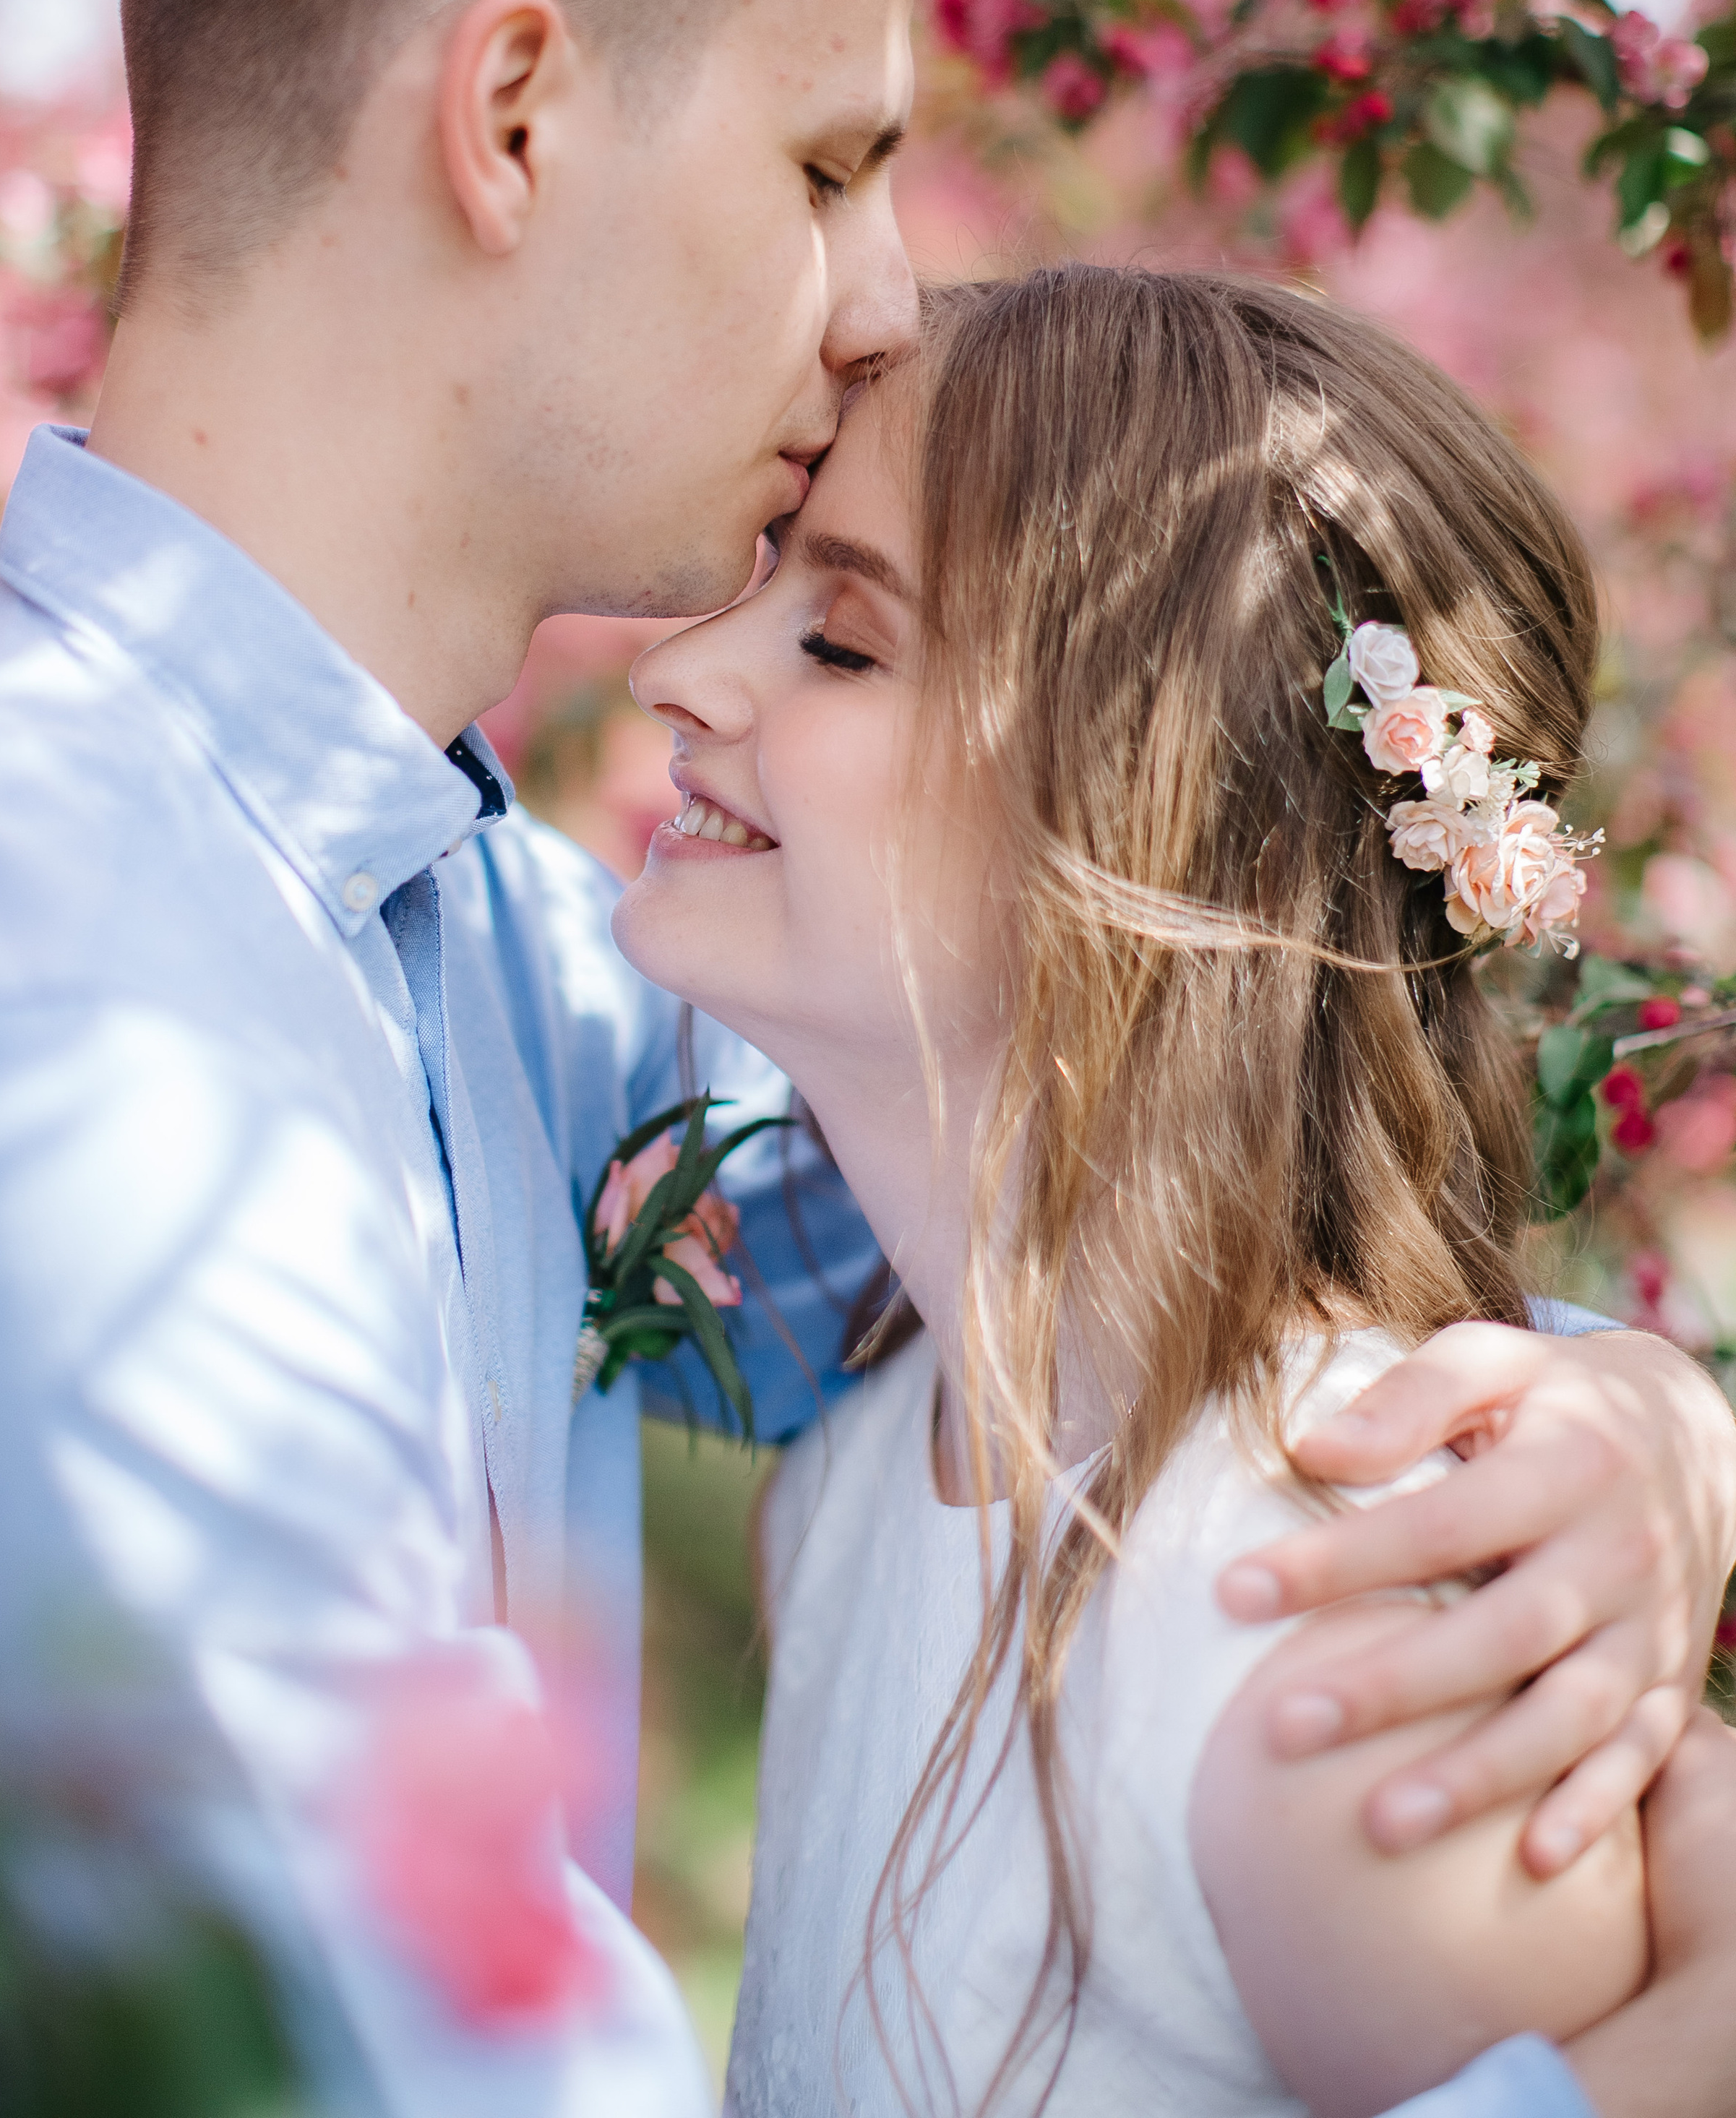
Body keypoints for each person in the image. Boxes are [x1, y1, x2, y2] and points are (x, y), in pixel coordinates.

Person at [0, 0, 1729, 2114]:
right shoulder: (64, 1042)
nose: (883, 299)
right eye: (829, 164)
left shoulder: (486, 957)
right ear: (515, 113)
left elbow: (1078, 1194)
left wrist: (1601, 1430)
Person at [614, 265, 1736, 2118]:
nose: (676, 669)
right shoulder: (846, 1480)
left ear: (1153, 806)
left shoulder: (1354, 1654)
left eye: (840, 641)